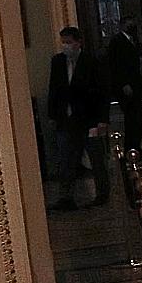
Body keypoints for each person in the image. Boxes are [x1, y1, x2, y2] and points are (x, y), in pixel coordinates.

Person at [46, 26, 110, 210]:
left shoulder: (91, 62)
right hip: (66, 119)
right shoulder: (58, 62)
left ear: (78, 42)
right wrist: (53, 114)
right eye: (63, 42)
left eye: (69, 42)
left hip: (88, 119)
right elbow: (54, 89)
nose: (66, 46)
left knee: (96, 159)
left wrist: (102, 119)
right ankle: (66, 197)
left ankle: (102, 194)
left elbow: (102, 92)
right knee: (66, 160)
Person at [105, 15, 142, 158]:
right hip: (126, 87)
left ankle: (136, 148)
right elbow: (115, 65)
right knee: (131, 119)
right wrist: (123, 83)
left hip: (137, 85)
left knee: (137, 119)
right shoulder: (117, 41)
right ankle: (130, 149)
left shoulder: (134, 40)